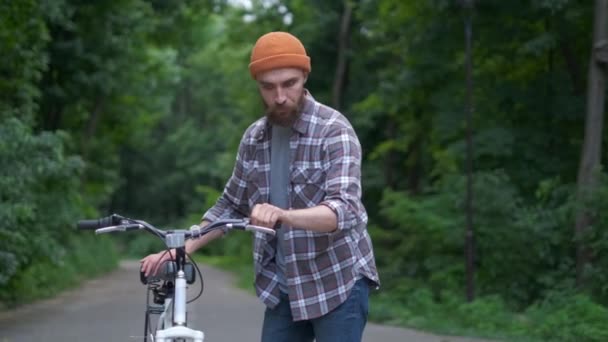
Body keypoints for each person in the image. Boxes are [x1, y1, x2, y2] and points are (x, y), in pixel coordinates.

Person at [141, 31, 379, 342]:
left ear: (305, 76)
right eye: (268, 87)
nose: (280, 97)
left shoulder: (334, 131)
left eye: (289, 84)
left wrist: (283, 215)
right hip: (283, 285)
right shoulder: (254, 138)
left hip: (336, 281)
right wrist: (180, 251)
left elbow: (343, 211)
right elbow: (230, 206)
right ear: (259, 86)